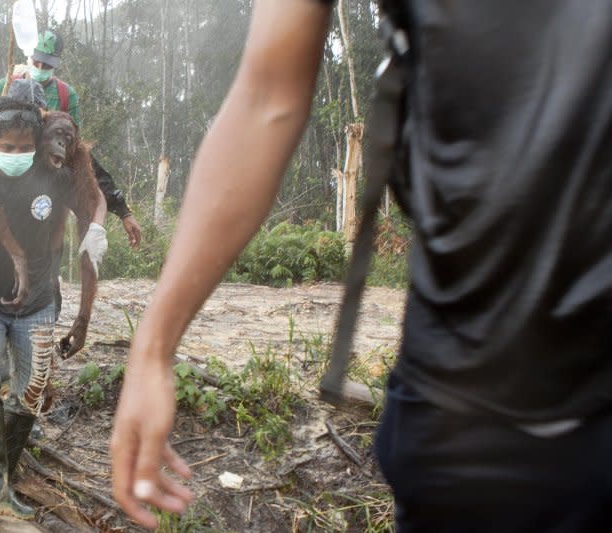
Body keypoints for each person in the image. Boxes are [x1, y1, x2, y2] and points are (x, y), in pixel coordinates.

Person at [109, 0, 612, 531]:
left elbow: (266, 101)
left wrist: (155, 347)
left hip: (474, 397)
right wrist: (153, 348)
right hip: (475, 397)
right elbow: (266, 98)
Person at [0, 97, 107, 520]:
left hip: (37, 303)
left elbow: (94, 195)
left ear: (36, 141)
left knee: (31, 393)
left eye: (23, 147)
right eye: (6, 148)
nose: (16, 155)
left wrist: (99, 225)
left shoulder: (55, 173)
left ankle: (6, 482)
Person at [0, 29, 142, 248]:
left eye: (47, 65)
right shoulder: (6, 85)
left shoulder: (65, 95)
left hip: (46, 183)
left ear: (56, 64)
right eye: (37, 62)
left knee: (50, 239)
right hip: (9, 175)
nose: (40, 69)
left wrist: (123, 211)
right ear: (30, 56)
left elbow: (80, 156)